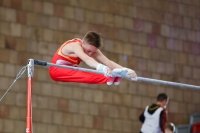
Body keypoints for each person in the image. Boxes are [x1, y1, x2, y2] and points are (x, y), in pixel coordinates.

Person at [49, 31, 137, 85]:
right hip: (57, 70)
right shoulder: (75, 46)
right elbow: (87, 59)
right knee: (84, 74)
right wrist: (102, 68)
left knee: (84, 72)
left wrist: (127, 71)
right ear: (82, 43)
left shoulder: (91, 50)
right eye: (88, 51)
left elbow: (108, 62)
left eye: (93, 52)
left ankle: (116, 76)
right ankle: (110, 77)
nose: (90, 54)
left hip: (70, 69)